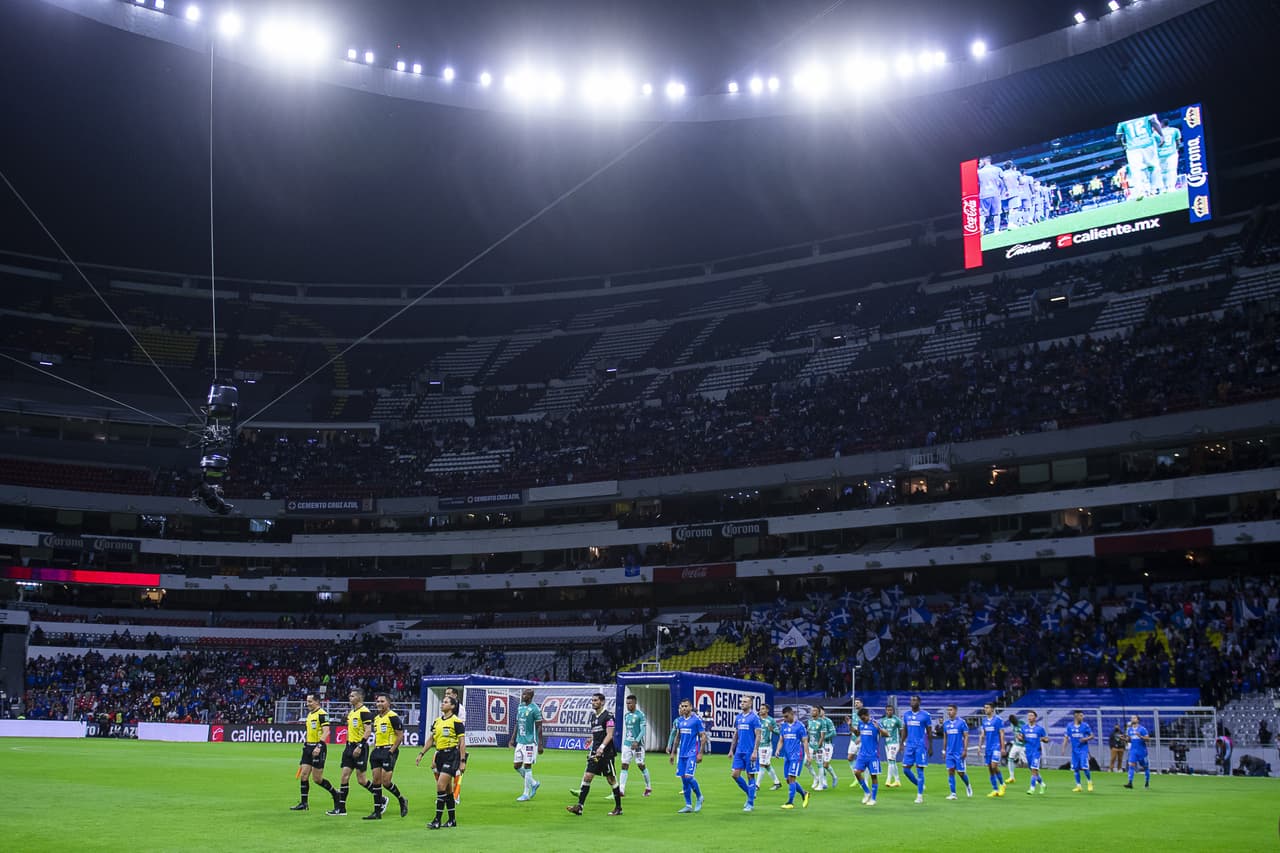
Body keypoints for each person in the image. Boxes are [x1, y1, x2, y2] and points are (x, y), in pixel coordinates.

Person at [567, 692, 624, 817]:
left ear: (602, 702)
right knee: (587, 777)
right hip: (595, 753)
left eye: (596, 700)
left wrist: (602, 747)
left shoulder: (608, 716)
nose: (593, 702)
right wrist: (591, 739)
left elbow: (610, 734)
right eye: (592, 700)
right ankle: (580, 807)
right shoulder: (593, 717)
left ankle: (619, 808)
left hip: (606, 753)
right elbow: (597, 733)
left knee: (611, 779)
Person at [415, 694, 465, 829]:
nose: (442, 704)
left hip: (451, 755)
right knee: (447, 790)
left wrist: (462, 761)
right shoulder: (437, 721)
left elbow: (462, 743)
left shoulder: (456, 722)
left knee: (440, 786)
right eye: (443, 702)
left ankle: (437, 820)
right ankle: (452, 820)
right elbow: (431, 739)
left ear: (453, 706)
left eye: (446, 702)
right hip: (440, 755)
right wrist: (422, 753)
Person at [327, 688, 375, 816]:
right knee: (344, 776)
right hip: (349, 747)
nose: (350, 697)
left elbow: (368, 730)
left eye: (352, 696)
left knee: (361, 780)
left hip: (360, 748)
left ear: (359, 697)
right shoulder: (351, 712)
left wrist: (360, 746)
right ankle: (341, 808)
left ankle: (380, 798)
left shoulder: (365, 712)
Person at [291, 693, 340, 812]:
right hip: (308, 747)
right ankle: (304, 804)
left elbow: (326, 731)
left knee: (317, 779)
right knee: (303, 775)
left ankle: (335, 794)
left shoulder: (323, 714)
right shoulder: (309, 714)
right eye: (307, 701)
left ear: (317, 702)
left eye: (310, 701)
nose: (307, 704)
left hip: (318, 748)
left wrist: (319, 746)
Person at [364, 693, 408, 819]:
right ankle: (377, 812)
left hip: (389, 750)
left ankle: (401, 799)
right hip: (377, 751)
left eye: (382, 701)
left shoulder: (393, 716)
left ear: (388, 703)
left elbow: (400, 736)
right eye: (378, 701)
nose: (379, 703)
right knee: (376, 781)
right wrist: (374, 749)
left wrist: (391, 751)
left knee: (386, 781)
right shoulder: (377, 718)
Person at [667, 698, 710, 814]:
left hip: (692, 753)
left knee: (688, 777)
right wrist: (672, 753)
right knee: (683, 780)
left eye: (686, 706)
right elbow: (677, 737)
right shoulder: (680, 721)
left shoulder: (696, 720)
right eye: (683, 706)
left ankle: (700, 796)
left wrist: (700, 753)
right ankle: (688, 805)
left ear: (691, 707)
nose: (684, 708)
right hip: (682, 754)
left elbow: (703, 736)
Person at [1116, 112, 1164, 199]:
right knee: (1153, 166)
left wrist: (1122, 145)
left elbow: (1118, 136)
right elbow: (1154, 122)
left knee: (1136, 170)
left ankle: (1140, 191)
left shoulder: (1122, 119)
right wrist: (1161, 135)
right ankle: (1155, 189)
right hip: (1148, 144)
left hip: (1132, 148)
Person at [728, 696, 761, 812]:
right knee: (735, 775)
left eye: (745, 702)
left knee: (750, 776)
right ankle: (751, 793)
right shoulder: (738, 717)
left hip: (750, 751)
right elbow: (736, 734)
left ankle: (750, 803)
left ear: (750, 704)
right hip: (739, 751)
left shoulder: (754, 718)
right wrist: (731, 749)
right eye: (741, 702)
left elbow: (758, 735)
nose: (742, 703)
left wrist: (755, 751)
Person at [777, 706, 812, 810]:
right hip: (787, 756)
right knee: (788, 780)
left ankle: (790, 802)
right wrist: (778, 749)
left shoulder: (800, 726)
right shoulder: (783, 726)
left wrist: (808, 755)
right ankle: (804, 793)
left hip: (797, 755)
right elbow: (781, 739)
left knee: (792, 778)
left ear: (792, 714)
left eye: (786, 716)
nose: (785, 719)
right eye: (783, 717)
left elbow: (805, 741)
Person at [851, 707, 887, 806]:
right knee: (857, 772)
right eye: (861, 719)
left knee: (873, 776)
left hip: (873, 755)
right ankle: (867, 792)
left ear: (868, 715)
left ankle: (874, 799)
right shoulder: (861, 723)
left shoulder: (875, 723)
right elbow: (858, 733)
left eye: (864, 718)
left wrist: (879, 729)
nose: (863, 720)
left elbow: (887, 734)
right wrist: (851, 726)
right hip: (862, 754)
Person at [513, 688, 544, 802]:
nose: (523, 695)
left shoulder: (535, 709)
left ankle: (526, 793)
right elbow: (517, 723)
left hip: (530, 742)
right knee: (516, 766)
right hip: (520, 741)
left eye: (525, 694)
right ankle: (534, 783)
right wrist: (513, 739)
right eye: (523, 693)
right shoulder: (520, 706)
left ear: (530, 696)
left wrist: (540, 743)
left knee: (527, 766)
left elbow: (539, 726)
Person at [901, 695, 932, 804]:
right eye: (911, 700)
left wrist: (930, 746)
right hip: (909, 745)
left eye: (914, 700)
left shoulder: (925, 715)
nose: (912, 702)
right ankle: (920, 785)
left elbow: (929, 732)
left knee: (920, 770)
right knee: (905, 769)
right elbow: (905, 730)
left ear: (919, 702)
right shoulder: (906, 715)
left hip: (920, 746)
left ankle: (919, 796)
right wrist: (901, 743)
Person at [619, 694, 651, 798]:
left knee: (641, 765)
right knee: (624, 765)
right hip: (627, 744)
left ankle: (648, 787)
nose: (628, 705)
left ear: (635, 703)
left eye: (630, 703)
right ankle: (621, 790)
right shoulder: (626, 715)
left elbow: (642, 730)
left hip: (638, 745)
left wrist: (637, 741)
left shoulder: (640, 715)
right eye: (627, 703)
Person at [942, 705, 972, 800]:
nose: (949, 712)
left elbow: (966, 736)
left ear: (955, 711)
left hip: (958, 752)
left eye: (951, 710)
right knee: (950, 771)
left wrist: (965, 749)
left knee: (961, 773)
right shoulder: (946, 723)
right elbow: (945, 737)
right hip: (949, 752)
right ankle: (953, 793)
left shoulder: (961, 722)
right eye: (948, 710)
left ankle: (968, 785)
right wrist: (944, 750)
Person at [979, 702, 1007, 798]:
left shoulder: (998, 720)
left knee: (994, 766)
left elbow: (1002, 734)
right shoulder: (984, 721)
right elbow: (983, 734)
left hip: (996, 746)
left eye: (987, 708)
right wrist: (979, 746)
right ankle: (995, 789)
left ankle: (1002, 784)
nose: (985, 709)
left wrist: (1002, 747)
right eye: (984, 707)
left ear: (992, 709)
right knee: (990, 769)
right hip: (988, 747)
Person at [1064, 710, 1094, 792]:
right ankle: (1078, 786)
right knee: (1075, 768)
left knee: (1084, 767)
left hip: (1083, 750)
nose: (1082, 717)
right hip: (1074, 751)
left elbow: (1092, 736)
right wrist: (1063, 748)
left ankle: (1089, 782)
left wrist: (1085, 739)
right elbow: (1066, 737)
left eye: (1082, 716)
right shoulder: (1069, 726)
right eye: (1081, 715)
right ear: (1076, 716)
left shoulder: (1085, 726)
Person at [756, 703, 782, 790]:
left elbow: (778, 732)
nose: (761, 710)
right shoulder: (757, 720)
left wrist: (773, 730)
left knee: (762, 765)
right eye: (760, 708)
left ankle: (757, 785)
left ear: (767, 710)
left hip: (766, 746)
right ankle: (777, 782)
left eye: (763, 709)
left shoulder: (771, 720)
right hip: (759, 745)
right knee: (767, 765)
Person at [1022, 711, 1049, 795]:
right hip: (1028, 751)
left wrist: (1044, 739)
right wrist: (1019, 737)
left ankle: (1032, 788)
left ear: (1035, 717)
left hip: (1036, 752)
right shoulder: (1024, 728)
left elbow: (1046, 739)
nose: (1029, 717)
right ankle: (1042, 784)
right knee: (1034, 771)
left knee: (1034, 769)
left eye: (1031, 715)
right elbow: (1021, 737)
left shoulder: (1039, 729)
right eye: (1028, 715)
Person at [977, 156, 1006, 234]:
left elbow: (977, 184)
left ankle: (981, 227)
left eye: (980, 161)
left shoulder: (979, 172)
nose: (979, 163)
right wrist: (1002, 191)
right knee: (997, 213)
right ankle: (996, 230)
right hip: (995, 193)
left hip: (983, 194)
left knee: (983, 214)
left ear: (984, 160)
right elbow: (1003, 182)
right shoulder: (997, 169)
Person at [805, 705, 829, 790]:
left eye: (814, 711)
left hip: (818, 748)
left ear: (818, 712)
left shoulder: (822, 722)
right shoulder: (809, 721)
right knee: (806, 763)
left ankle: (821, 785)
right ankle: (815, 777)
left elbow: (822, 737)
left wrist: (817, 747)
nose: (812, 712)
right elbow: (808, 733)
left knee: (820, 765)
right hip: (810, 746)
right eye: (812, 711)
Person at [1124, 714, 1151, 789]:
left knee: (1145, 767)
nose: (1132, 719)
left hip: (1142, 751)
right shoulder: (1129, 730)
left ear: (1138, 720)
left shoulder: (1142, 729)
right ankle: (1130, 782)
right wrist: (1124, 739)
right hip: (1133, 751)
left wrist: (1141, 736)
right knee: (1131, 766)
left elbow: (1148, 739)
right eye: (1131, 718)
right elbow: (1129, 740)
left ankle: (1147, 782)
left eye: (1134, 718)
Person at [880, 704, 904, 788]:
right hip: (887, 743)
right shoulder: (883, 720)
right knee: (892, 762)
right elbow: (881, 732)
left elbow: (902, 732)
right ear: (885, 711)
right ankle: (897, 781)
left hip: (895, 743)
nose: (889, 711)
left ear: (893, 711)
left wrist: (902, 744)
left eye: (890, 710)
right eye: (887, 710)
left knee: (890, 759)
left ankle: (888, 780)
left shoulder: (897, 720)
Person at [1157, 120, 1183, 193]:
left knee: (1162, 172)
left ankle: (1164, 188)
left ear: (1161, 124)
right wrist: (1176, 149)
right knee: (1172, 170)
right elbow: (1178, 142)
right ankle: (1171, 187)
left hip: (1160, 155)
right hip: (1172, 153)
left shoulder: (1156, 133)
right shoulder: (1175, 130)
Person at [1005, 714, 1025, 783]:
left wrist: (1022, 738)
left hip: (1023, 745)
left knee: (1027, 762)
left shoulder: (1022, 723)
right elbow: (1015, 734)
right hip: (1016, 745)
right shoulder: (1012, 725)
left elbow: (1026, 733)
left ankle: (1036, 776)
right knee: (1010, 758)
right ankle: (1011, 777)